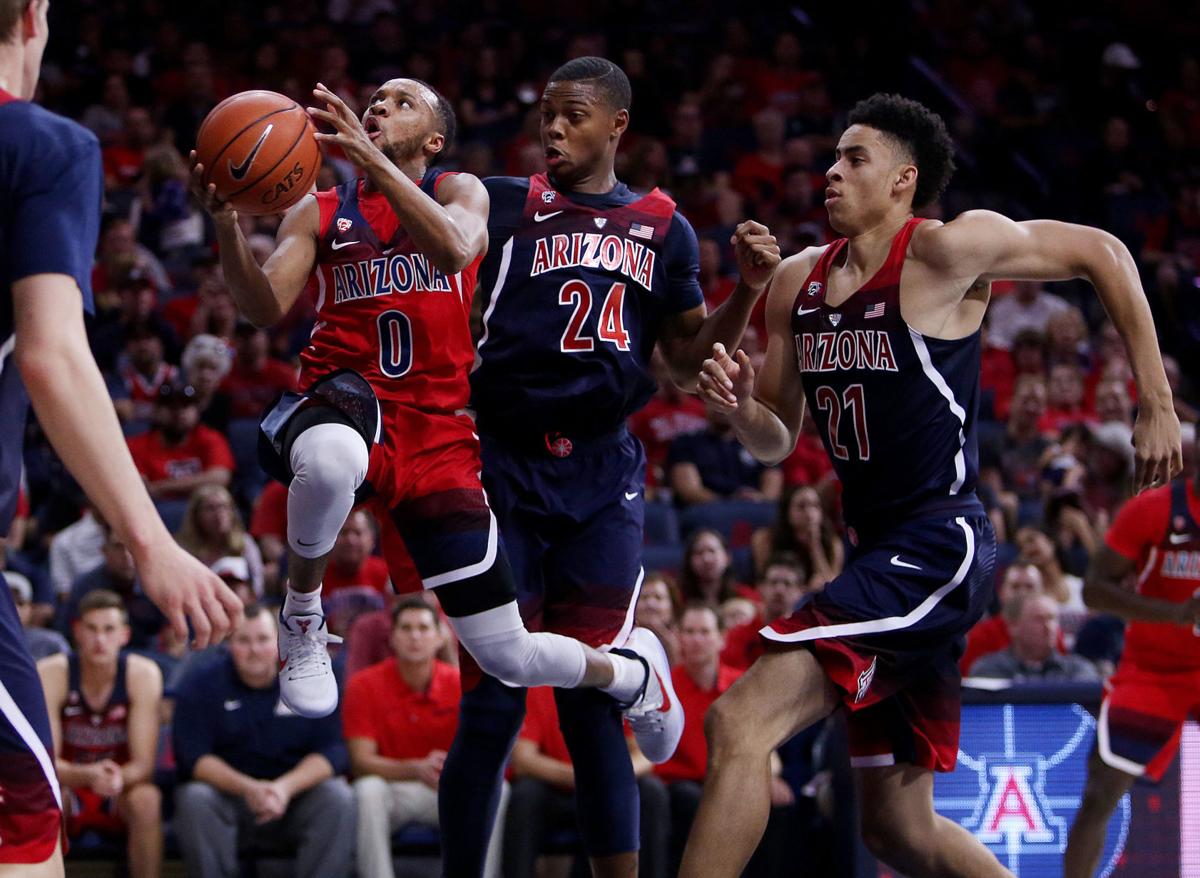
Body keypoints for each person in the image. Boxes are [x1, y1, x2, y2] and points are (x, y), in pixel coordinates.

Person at [688, 92, 1180, 878]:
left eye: (855, 158)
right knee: (898, 833)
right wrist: (740, 407)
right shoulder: (793, 281)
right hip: (876, 555)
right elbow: (778, 439)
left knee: (739, 723)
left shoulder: (945, 253)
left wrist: (1154, 399)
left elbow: (1105, 252)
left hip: (938, 542)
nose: (831, 171)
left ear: (902, 180)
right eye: (832, 156)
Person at [190, 76, 676, 779]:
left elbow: (453, 248)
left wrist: (375, 163)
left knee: (506, 652)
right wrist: (226, 224)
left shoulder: (462, 191)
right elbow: (263, 308)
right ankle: (302, 617)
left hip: (439, 433)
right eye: (374, 101)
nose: (378, 107)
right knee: (326, 460)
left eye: (401, 101)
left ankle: (632, 677)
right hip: (346, 399)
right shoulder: (320, 209)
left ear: (436, 138)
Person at [454, 55, 780, 877]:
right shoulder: (502, 202)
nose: (553, 128)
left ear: (616, 126)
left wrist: (745, 293)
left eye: (572, 114)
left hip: (602, 474)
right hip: (504, 464)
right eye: (546, 114)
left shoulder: (665, 225)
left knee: (591, 706)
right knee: (492, 701)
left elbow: (679, 361)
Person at [1, 5, 240, 870]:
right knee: (25, 842)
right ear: (35, 15)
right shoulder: (43, 145)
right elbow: (52, 353)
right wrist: (151, 541)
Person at [1063, 444, 1200, 877]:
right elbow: (1093, 590)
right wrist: (1175, 613)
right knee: (1102, 790)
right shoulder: (1154, 510)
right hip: (1153, 670)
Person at [172, 605, 356, 878]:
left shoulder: (310, 683)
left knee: (338, 798)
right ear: (229, 644)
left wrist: (283, 789)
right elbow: (193, 756)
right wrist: (250, 789)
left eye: (262, 640)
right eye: (243, 641)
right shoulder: (201, 685)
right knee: (195, 798)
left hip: (294, 799)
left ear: (279, 642)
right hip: (230, 799)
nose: (254, 650)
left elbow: (334, 750)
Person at [345, 597, 501, 878]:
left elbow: (482, 755)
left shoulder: (461, 685)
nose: (415, 636)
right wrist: (415, 768)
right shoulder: (364, 685)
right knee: (366, 790)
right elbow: (360, 762)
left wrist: (453, 773)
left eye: (423, 628)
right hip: (394, 790)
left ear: (440, 637)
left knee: (497, 791)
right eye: (405, 628)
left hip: (445, 788)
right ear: (392, 638)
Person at [37, 590, 164, 878]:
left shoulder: (143, 674)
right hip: (68, 785)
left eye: (109, 630)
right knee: (44, 797)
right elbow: (46, 762)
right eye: (92, 629)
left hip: (120, 788)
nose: (100, 639)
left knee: (148, 800)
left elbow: (144, 765)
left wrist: (116, 778)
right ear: (77, 632)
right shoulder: (52, 673)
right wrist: (88, 775)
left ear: (125, 635)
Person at [967, 593, 1099, 682]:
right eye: (1039, 619)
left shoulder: (1078, 670)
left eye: (1052, 619)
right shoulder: (988, 670)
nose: (1049, 627)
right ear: (1013, 626)